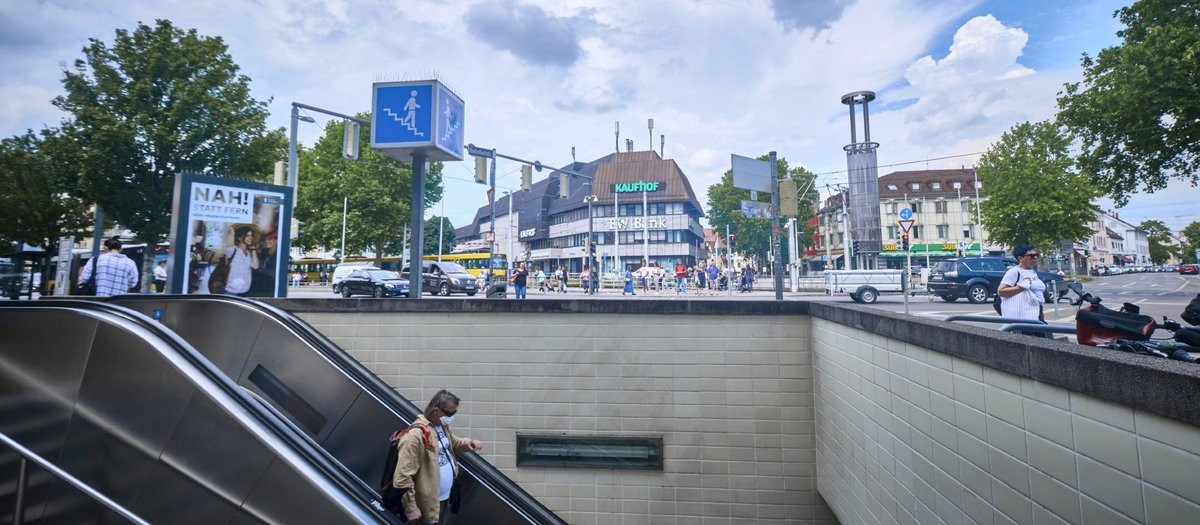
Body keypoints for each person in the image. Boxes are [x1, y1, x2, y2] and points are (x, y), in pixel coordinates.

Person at [390, 390, 483, 524]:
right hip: (424, 507)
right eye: (449, 414)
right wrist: (410, 508)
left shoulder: (441, 426)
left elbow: (451, 442)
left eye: (454, 413)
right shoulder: (414, 436)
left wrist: (469, 443)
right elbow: (402, 477)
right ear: (436, 411)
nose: (451, 417)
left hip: (442, 499)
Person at [998, 244, 1047, 331]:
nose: (1035, 258)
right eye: (1031, 256)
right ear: (1020, 258)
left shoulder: (1032, 272)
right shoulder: (1014, 272)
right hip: (1022, 316)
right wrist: (1021, 287)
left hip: (1035, 312)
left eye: (1036, 255)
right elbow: (1001, 291)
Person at [222, 226, 260, 296]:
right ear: (239, 238)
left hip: (245, 289)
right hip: (231, 291)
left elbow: (255, 266)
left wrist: (253, 249)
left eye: (251, 236)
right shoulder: (232, 250)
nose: (250, 238)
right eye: (247, 235)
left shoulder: (249, 253)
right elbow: (230, 233)